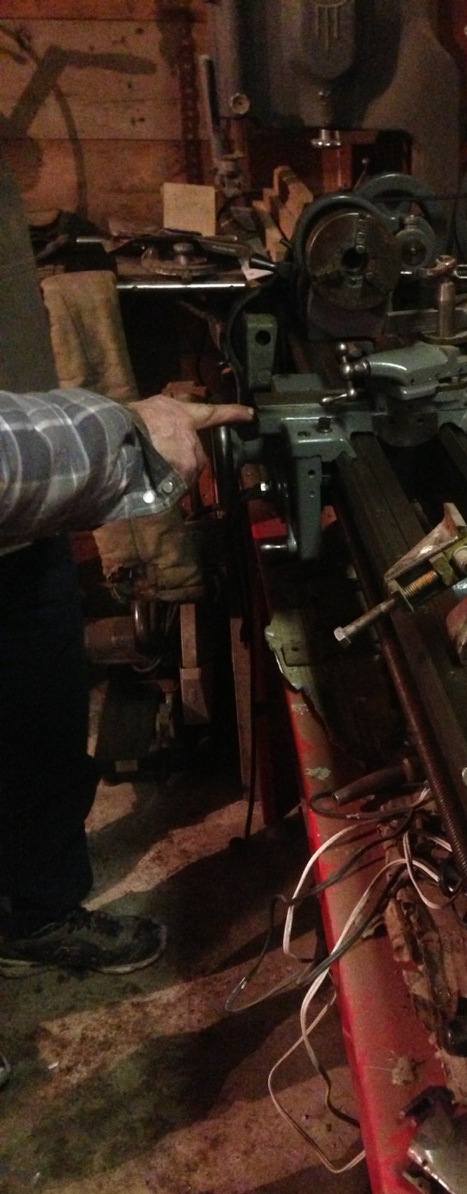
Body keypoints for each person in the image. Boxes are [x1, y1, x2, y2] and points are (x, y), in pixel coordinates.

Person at [0, 158, 253, 975]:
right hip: (26, 488)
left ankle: (38, 913)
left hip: (25, 526)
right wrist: (125, 435)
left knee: (41, 727)